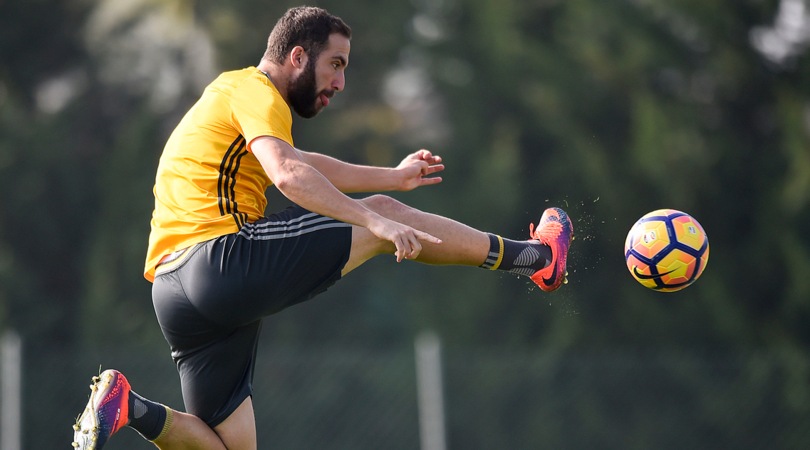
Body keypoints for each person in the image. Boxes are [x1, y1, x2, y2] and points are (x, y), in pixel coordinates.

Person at [72, 6, 573, 450]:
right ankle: (538, 258)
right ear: (296, 56)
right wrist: (376, 215)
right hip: (219, 261)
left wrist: (393, 178)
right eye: (335, 64)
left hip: (172, 291)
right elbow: (289, 174)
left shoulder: (230, 93)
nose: (340, 82)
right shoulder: (257, 88)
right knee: (383, 216)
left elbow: (301, 160)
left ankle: (129, 407)